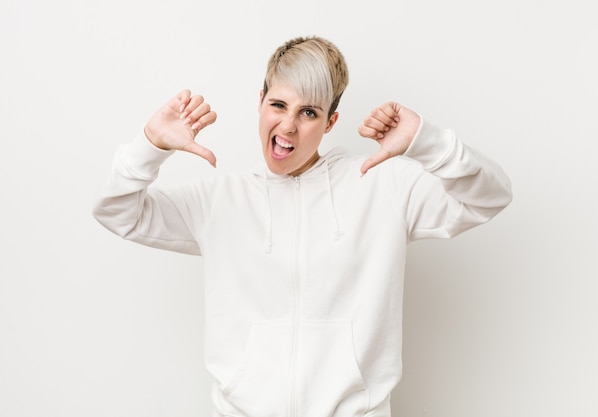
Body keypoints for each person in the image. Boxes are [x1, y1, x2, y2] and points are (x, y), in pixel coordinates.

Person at [93, 36, 512, 417]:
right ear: (260, 102)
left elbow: (490, 196)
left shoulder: (383, 187)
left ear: (330, 122)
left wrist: (427, 141)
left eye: (308, 112)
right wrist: (149, 146)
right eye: (278, 105)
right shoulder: (219, 201)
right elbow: (116, 212)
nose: (288, 125)